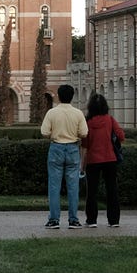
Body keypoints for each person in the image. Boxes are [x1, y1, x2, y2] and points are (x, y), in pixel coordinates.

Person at [40, 84, 88, 229]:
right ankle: (73, 219)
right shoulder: (78, 113)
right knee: (73, 186)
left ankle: (54, 219)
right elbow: (84, 133)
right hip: (73, 148)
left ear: (59, 97)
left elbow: (44, 132)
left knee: (54, 186)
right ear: (72, 97)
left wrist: (55, 134)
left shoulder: (52, 113)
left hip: (56, 147)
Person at [81, 93, 125, 228]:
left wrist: (82, 165)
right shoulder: (110, 120)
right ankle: (114, 220)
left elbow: (85, 144)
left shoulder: (87, 122)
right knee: (112, 189)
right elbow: (121, 136)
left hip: (93, 160)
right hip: (110, 158)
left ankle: (92, 220)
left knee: (92, 191)